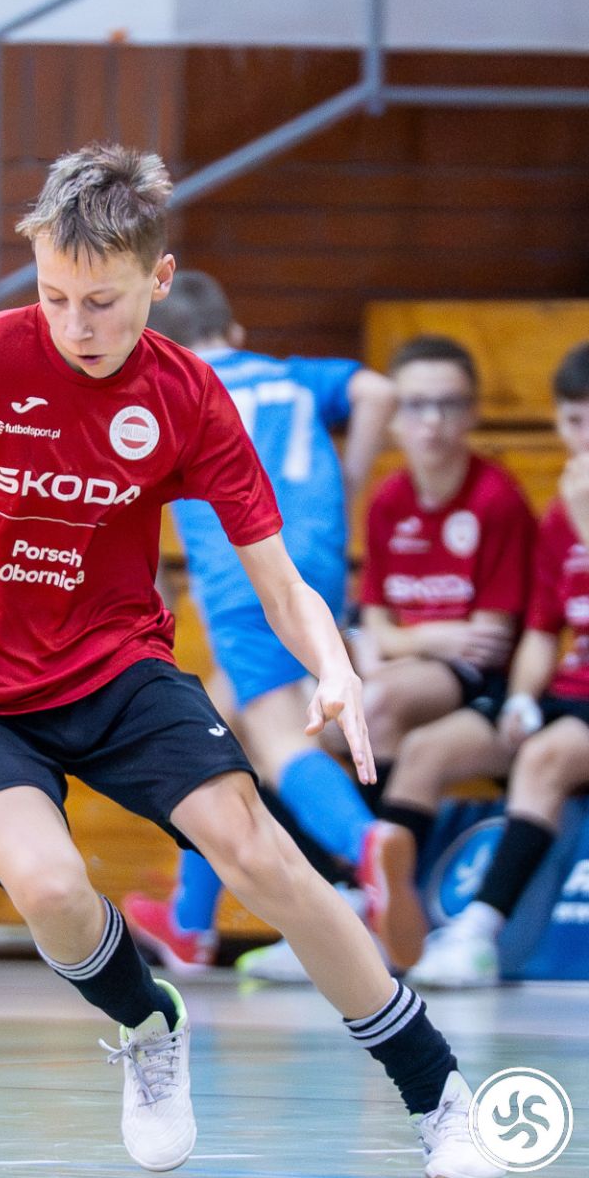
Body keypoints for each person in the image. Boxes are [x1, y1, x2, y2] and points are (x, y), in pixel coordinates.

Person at [0, 144, 495, 1178]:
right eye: (54, 297)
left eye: (102, 302)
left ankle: (437, 1089)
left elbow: (278, 578)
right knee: (49, 886)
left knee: (259, 851)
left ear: (159, 278)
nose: (75, 326)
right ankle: (148, 1020)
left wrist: (331, 662)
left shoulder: (187, 394)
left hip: (115, 666)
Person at [369, 340, 589, 989]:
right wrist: (524, 696)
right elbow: (542, 633)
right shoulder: (559, 516)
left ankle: (478, 934)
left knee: (544, 757)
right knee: (424, 750)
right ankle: (380, 922)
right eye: (576, 420)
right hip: (568, 690)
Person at [120, 274, 397, 976]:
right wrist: (351, 478)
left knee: (274, 740)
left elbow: (129, 499)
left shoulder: (173, 392)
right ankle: (190, 921)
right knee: (215, 727)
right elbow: (377, 391)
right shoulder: (293, 376)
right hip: (318, 566)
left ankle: (366, 848)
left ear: (160, 345)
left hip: (245, 574)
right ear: (236, 332)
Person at [348, 336, 536, 970]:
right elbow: (376, 619)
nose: (432, 421)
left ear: (473, 411)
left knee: (379, 701)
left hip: (486, 685)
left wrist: (399, 643)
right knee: (298, 720)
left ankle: (365, 896)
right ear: (394, 418)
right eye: (416, 405)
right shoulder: (389, 499)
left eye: (449, 404)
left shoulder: (495, 499)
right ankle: (360, 895)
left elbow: (488, 638)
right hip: (421, 664)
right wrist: (425, 638)